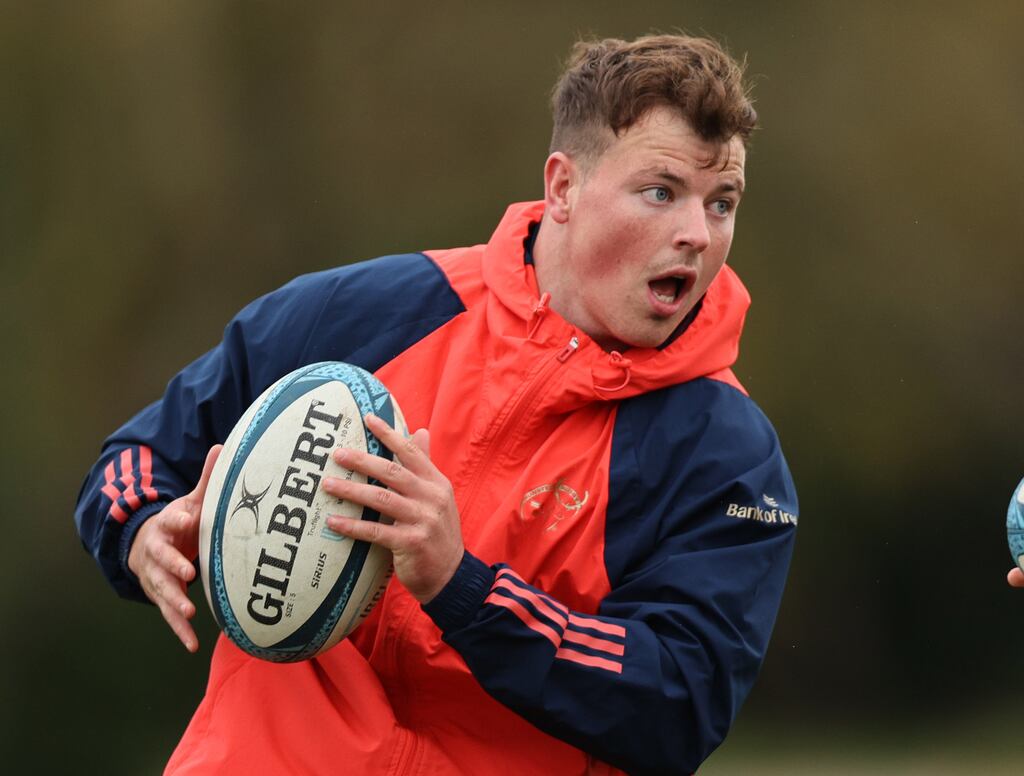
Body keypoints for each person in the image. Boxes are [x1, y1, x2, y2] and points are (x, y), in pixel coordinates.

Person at [75, 34, 798, 775]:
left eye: (722, 203)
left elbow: (678, 703)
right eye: (661, 191)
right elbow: (136, 460)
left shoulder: (726, 454)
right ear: (562, 188)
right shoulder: (365, 312)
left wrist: (463, 588)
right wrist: (142, 531)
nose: (696, 234)